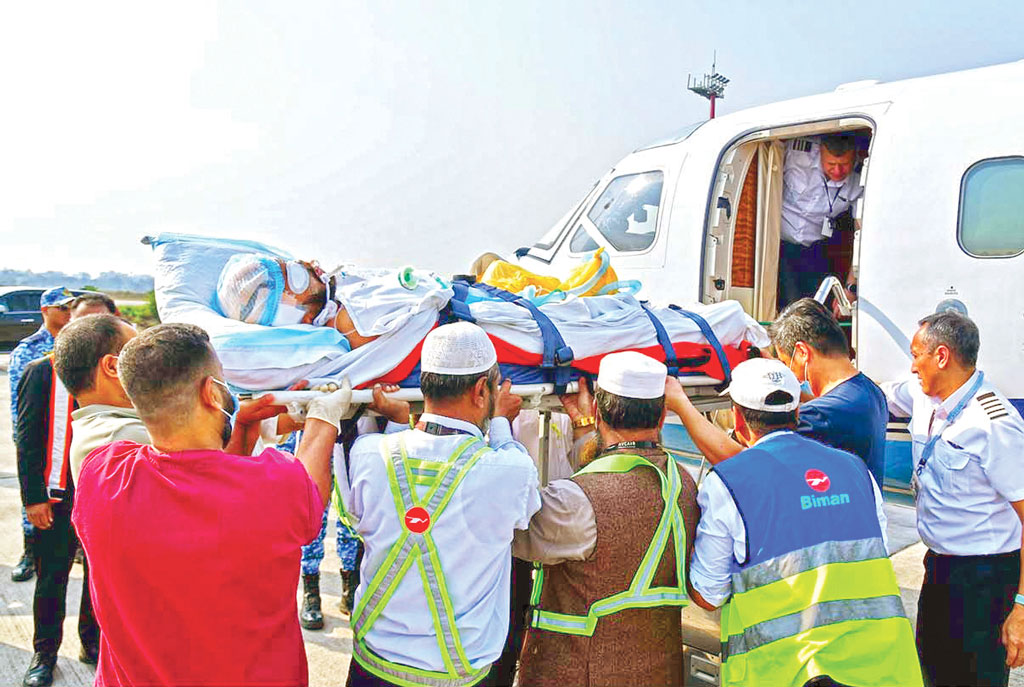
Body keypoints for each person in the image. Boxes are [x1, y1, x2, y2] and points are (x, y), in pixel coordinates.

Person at [71, 323, 354, 686]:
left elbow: (199, 486)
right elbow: (309, 497)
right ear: (212, 392)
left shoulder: (101, 472)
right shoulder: (271, 484)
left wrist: (242, 431)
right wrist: (323, 420)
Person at [689, 358, 921, 686]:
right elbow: (871, 554)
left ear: (739, 419)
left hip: (789, 673)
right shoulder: (856, 470)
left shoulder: (728, 483)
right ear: (797, 414)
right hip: (884, 667)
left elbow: (708, 595)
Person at [337, 321, 540, 687]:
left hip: (372, 669)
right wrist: (499, 424)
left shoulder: (369, 453)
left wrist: (398, 424)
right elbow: (521, 506)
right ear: (482, 390)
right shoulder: (507, 468)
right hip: (456, 676)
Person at [513, 352, 699, 687]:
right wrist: (585, 431)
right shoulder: (684, 484)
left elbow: (509, 528)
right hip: (661, 673)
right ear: (663, 415)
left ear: (598, 411)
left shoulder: (576, 501)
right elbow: (617, 471)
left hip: (576, 673)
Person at [882, 311, 1024, 686]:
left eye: (916, 355)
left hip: (986, 579)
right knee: (931, 672)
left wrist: (1022, 609)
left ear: (941, 357)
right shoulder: (924, 394)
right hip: (940, 569)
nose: (912, 366)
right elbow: (875, 392)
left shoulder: (994, 423)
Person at [669, 298, 889, 485]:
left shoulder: (820, 415)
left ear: (802, 352)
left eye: (787, 362)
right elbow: (832, 406)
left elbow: (741, 463)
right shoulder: (868, 392)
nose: (789, 373)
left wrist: (682, 405)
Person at [15, 297, 113, 687]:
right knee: (51, 576)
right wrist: (33, 497)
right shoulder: (43, 371)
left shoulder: (122, 374)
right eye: (83, 320)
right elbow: (28, 438)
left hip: (105, 493)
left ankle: (93, 643)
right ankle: (44, 653)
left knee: (100, 576)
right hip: (56, 495)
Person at [8, 287, 75, 582]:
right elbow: (17, 400)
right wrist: (21, 437)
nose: (68, 312)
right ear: (45, 311)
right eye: (62, 307)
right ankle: (29, 553)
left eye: (70, 306)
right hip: (39, 434)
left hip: (69, 435)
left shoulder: (78, 345)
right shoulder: (29, 348)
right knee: (37, 503)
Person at [779, 134, 863, 307]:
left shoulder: (858, 180)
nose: (838, 171)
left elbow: (860, 235)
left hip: (815, 249)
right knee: (790, 305)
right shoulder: (796, 155)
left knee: (819, 307)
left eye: (845, 165)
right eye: (831, 164)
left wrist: (850, 288)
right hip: (778, 246)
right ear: (819, 152)